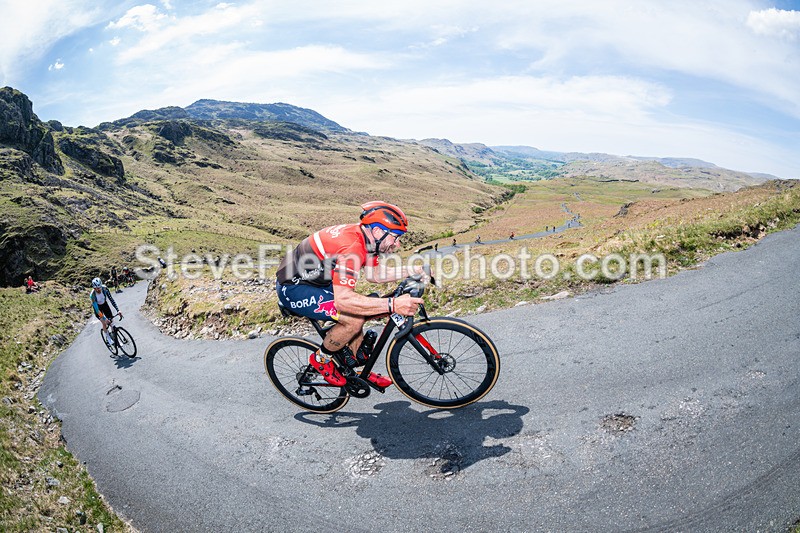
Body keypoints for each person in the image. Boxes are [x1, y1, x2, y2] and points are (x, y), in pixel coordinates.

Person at [275, 201, 428, 388]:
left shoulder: (368, 240)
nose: (397, 243)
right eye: (395, 237)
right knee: (354, 318)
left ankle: (356, 370)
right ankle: (320, 360)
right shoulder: (352, 247)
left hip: (314, 280)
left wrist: (414, 270)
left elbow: (375, 275)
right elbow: (343, 300)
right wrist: (393, 305)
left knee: (364, 306)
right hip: (293, 288)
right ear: (379, 231)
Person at [90, 277, 122, 345]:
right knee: (104, 323)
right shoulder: (92, 295)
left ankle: (116, 340)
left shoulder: (105, 288)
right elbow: (97, 309)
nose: (98, 290)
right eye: (96, 288)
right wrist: (104, 318)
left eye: (99, 287)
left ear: (101, 286)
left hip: (104, 305)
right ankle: (108, 338)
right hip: (98, 308)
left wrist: (118, 310)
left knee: (112, 323)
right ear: (94, 288)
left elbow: (111, 300)